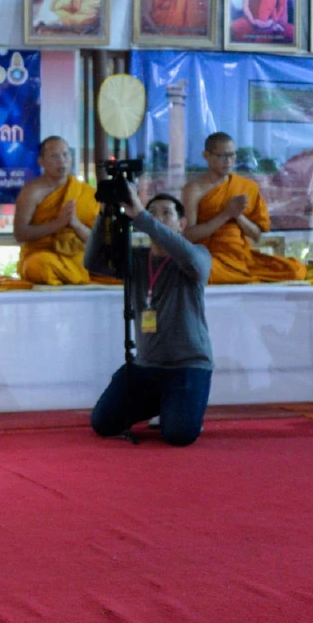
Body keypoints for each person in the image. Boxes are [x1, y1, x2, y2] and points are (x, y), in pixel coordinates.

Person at [86, 189, 213, 446]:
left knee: (178, 436)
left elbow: (187, 256)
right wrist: (103, 215)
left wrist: (143, 217)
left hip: (187, 366)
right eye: (153, 212)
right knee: (103, 423)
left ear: (182, 224)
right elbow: (93, 262)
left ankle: (178, 410)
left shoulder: (197, 256)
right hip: (146, 366)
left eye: (167, 214)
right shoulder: (137, 260)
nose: (159, 218)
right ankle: (164, 406)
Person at [181, 132, 306, 284]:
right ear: (206, 156)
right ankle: (242, 277)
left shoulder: (246, 187)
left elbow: (256, 235)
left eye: (232, 156)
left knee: (295, 270)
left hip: (243, 257)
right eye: (222, 156)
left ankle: (243, 275)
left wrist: (238, 216)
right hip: (211, 257)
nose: (228, 161)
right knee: (204, 272)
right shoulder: (194, 190)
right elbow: (188, 236)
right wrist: (226, 214)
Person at [14, 136, 110, 285]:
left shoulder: (86, 193)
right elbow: (20, 233)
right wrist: (58, 224)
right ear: (41, 161)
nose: (62, 160)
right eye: (54, 156)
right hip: (44, 256)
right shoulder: (31, 192)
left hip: (78, 258)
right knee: (38, 265)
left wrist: (76, 224)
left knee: (113, 267)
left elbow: (99, 240)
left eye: (66, 154)